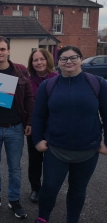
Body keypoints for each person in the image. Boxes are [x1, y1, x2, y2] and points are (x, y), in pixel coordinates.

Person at [32, 46, 107, 223]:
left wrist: (106, 141)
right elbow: (38, 115)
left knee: (78, 189)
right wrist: (37, 140)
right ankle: (43, 218)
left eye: (73, 58)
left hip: (88, 150)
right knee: (49, 187)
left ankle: (72, 220)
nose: (69, 62)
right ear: (58, 63)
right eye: (64, 59)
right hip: (56, 149)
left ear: (81, 59)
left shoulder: (98, 83)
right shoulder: (48, 85)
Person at [0, 35, 34, 219]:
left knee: (15, 167)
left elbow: (29, 98)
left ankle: (14, 199)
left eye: (2, 49)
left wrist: (29, 122)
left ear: (8, 50)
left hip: (16, 127)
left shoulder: (20, 71)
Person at [26, 48, 58, 203]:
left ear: (48, 60)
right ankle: (35, 189)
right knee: (35, 161)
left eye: (41, 59)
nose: (38, 63)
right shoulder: (28, 81)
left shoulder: (58, 79)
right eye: (35, 60)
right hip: (34, 127)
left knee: (53, 162)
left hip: (54, 128)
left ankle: (49, 189)